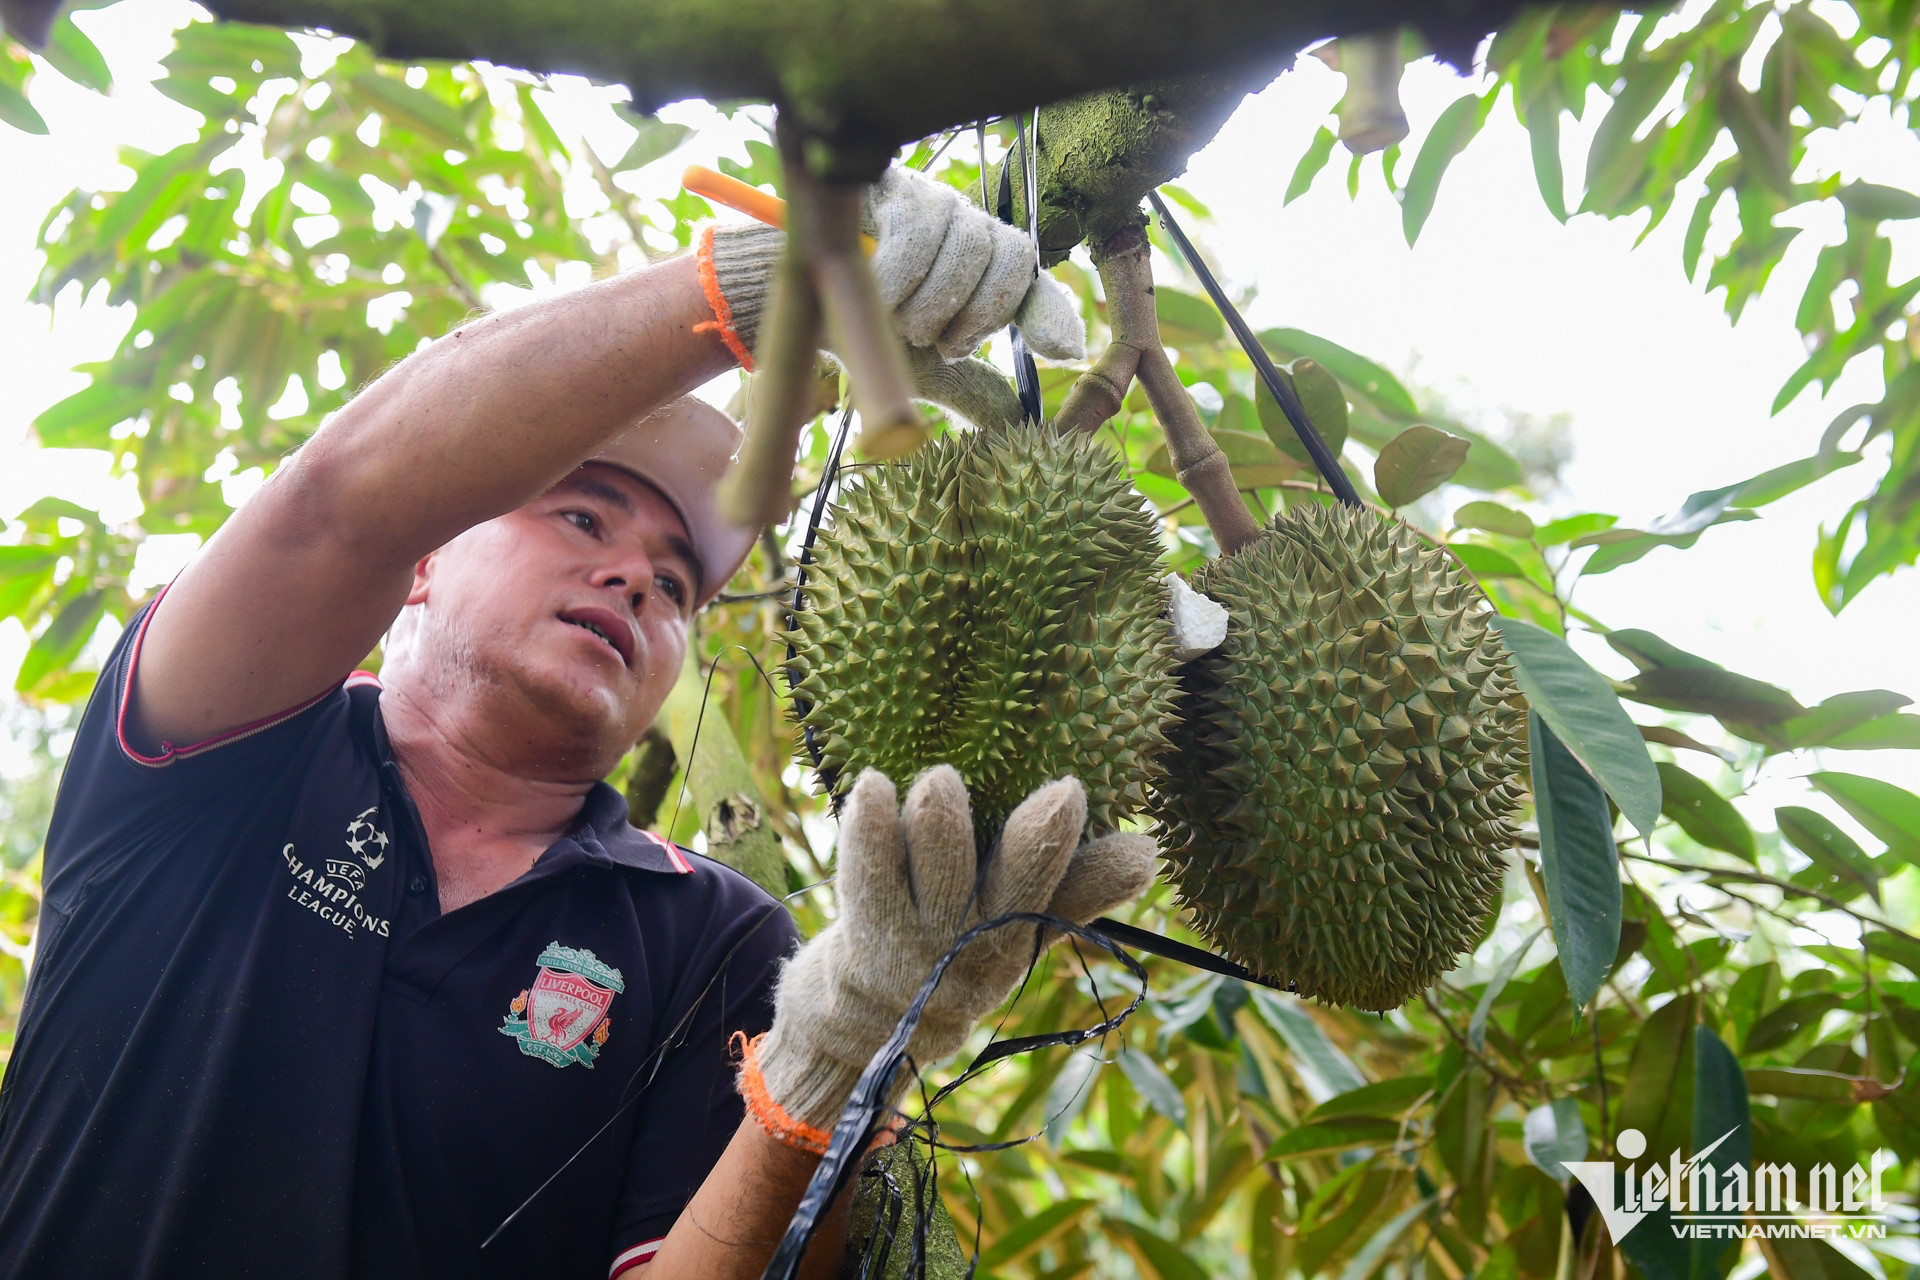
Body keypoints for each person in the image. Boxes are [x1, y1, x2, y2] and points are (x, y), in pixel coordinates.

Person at [0, 164, 1157, 1279]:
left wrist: (833, 1054)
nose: (637, 578)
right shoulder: (230, 740)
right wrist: (769, 278)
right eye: (584, 518)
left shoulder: (711, 934)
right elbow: (338, 506)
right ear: (426, 557)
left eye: (677, 582)